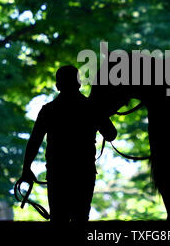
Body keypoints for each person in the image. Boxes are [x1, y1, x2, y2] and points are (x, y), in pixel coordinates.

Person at [20, 65, 116, 222]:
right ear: (79, 83)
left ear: (58, 86)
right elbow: (111, 135)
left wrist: (26, 169)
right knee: (81, 218)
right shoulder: (92, 108)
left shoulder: (48, 110)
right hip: (83, 172)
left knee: (58, 219)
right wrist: (103, 112)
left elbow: (34, 141)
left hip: (57, 173)